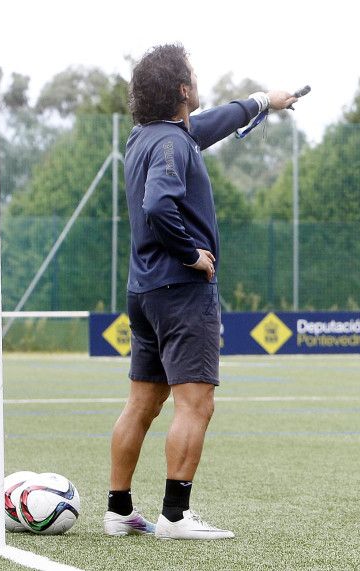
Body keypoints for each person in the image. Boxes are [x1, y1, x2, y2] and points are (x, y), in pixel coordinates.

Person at [107, 44, 298, 540]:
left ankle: (119, 509)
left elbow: (209, 125)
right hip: (181, 291)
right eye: (192, 74)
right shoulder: (173, 145)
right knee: (196, 404)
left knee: (142, 405)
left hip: (144, 291)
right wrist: (192, 254)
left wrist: (263, 101)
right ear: (182, 90)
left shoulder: (148, 138)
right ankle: (174, 516)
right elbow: (158, 204)